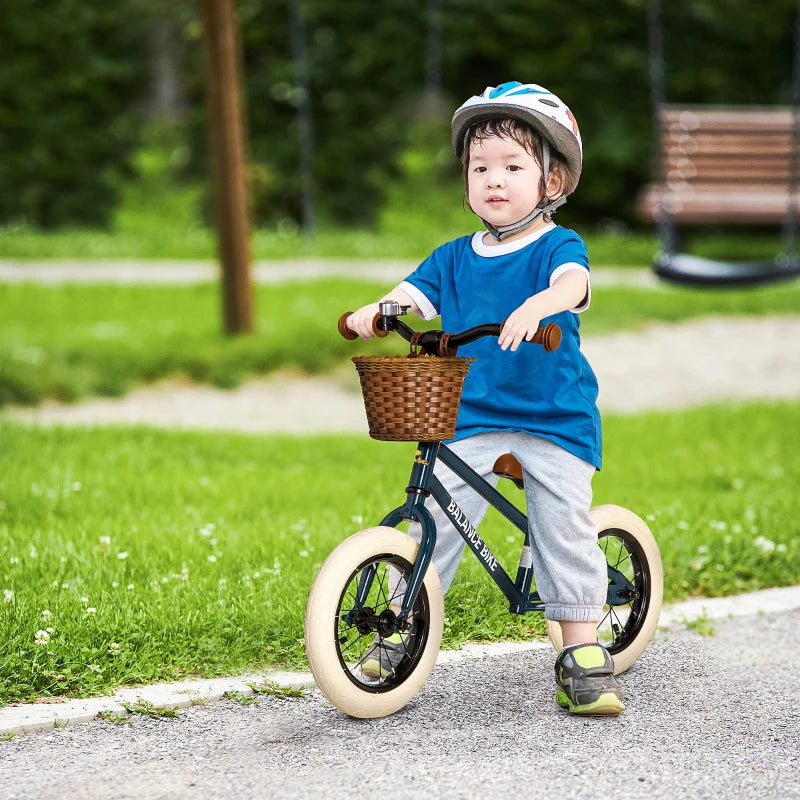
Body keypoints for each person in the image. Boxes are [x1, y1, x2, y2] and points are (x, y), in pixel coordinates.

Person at [346, 81, 624, 716]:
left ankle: (583, 647)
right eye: (480, 168)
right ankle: (402, 623)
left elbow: (575, 285)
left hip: (552, 419)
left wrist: (542, 302)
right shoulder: (454, 256)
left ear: (552, 182)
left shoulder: (556, 246)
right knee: (433, 517)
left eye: (513, 166)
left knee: (561, 520)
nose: (494, 180)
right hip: (472, 415)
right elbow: (414, 294)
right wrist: (380, 311)